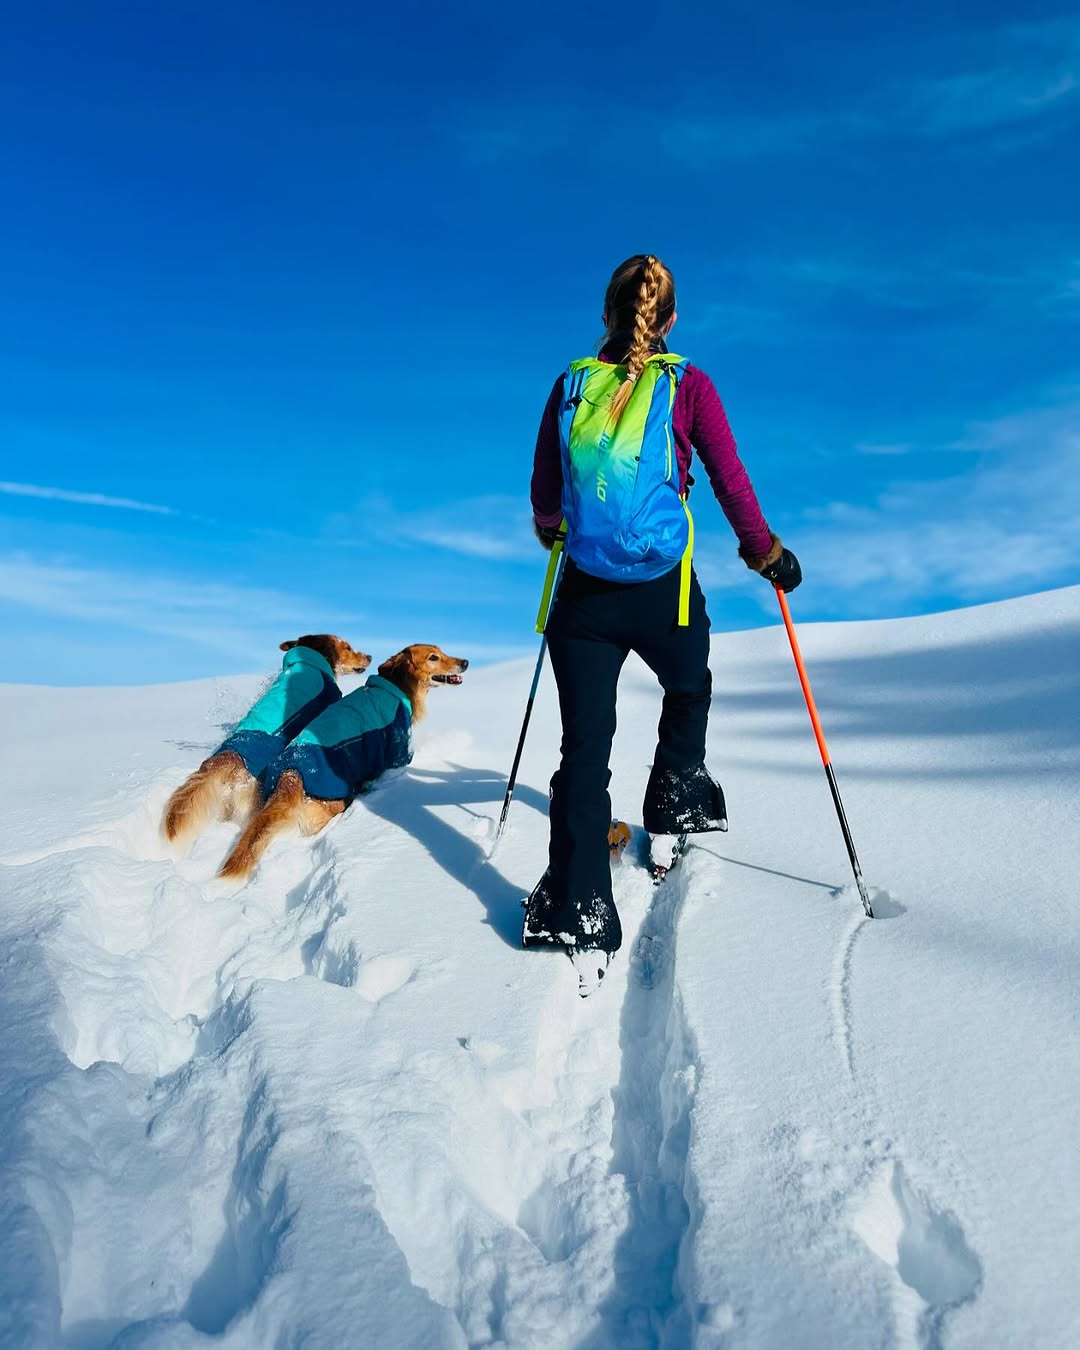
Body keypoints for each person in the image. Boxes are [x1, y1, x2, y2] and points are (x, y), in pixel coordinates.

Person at [523, 253, 801, 983]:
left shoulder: (571, 384)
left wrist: (552, 527)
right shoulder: (688, 383)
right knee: (689, 685)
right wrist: (764, 552)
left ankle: (579, 905)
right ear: (669, 318)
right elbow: (728, 477)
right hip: (663, 594)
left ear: (605, 315)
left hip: (582, 598)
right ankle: (675, 804)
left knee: (584, 749)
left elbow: (545, 494)